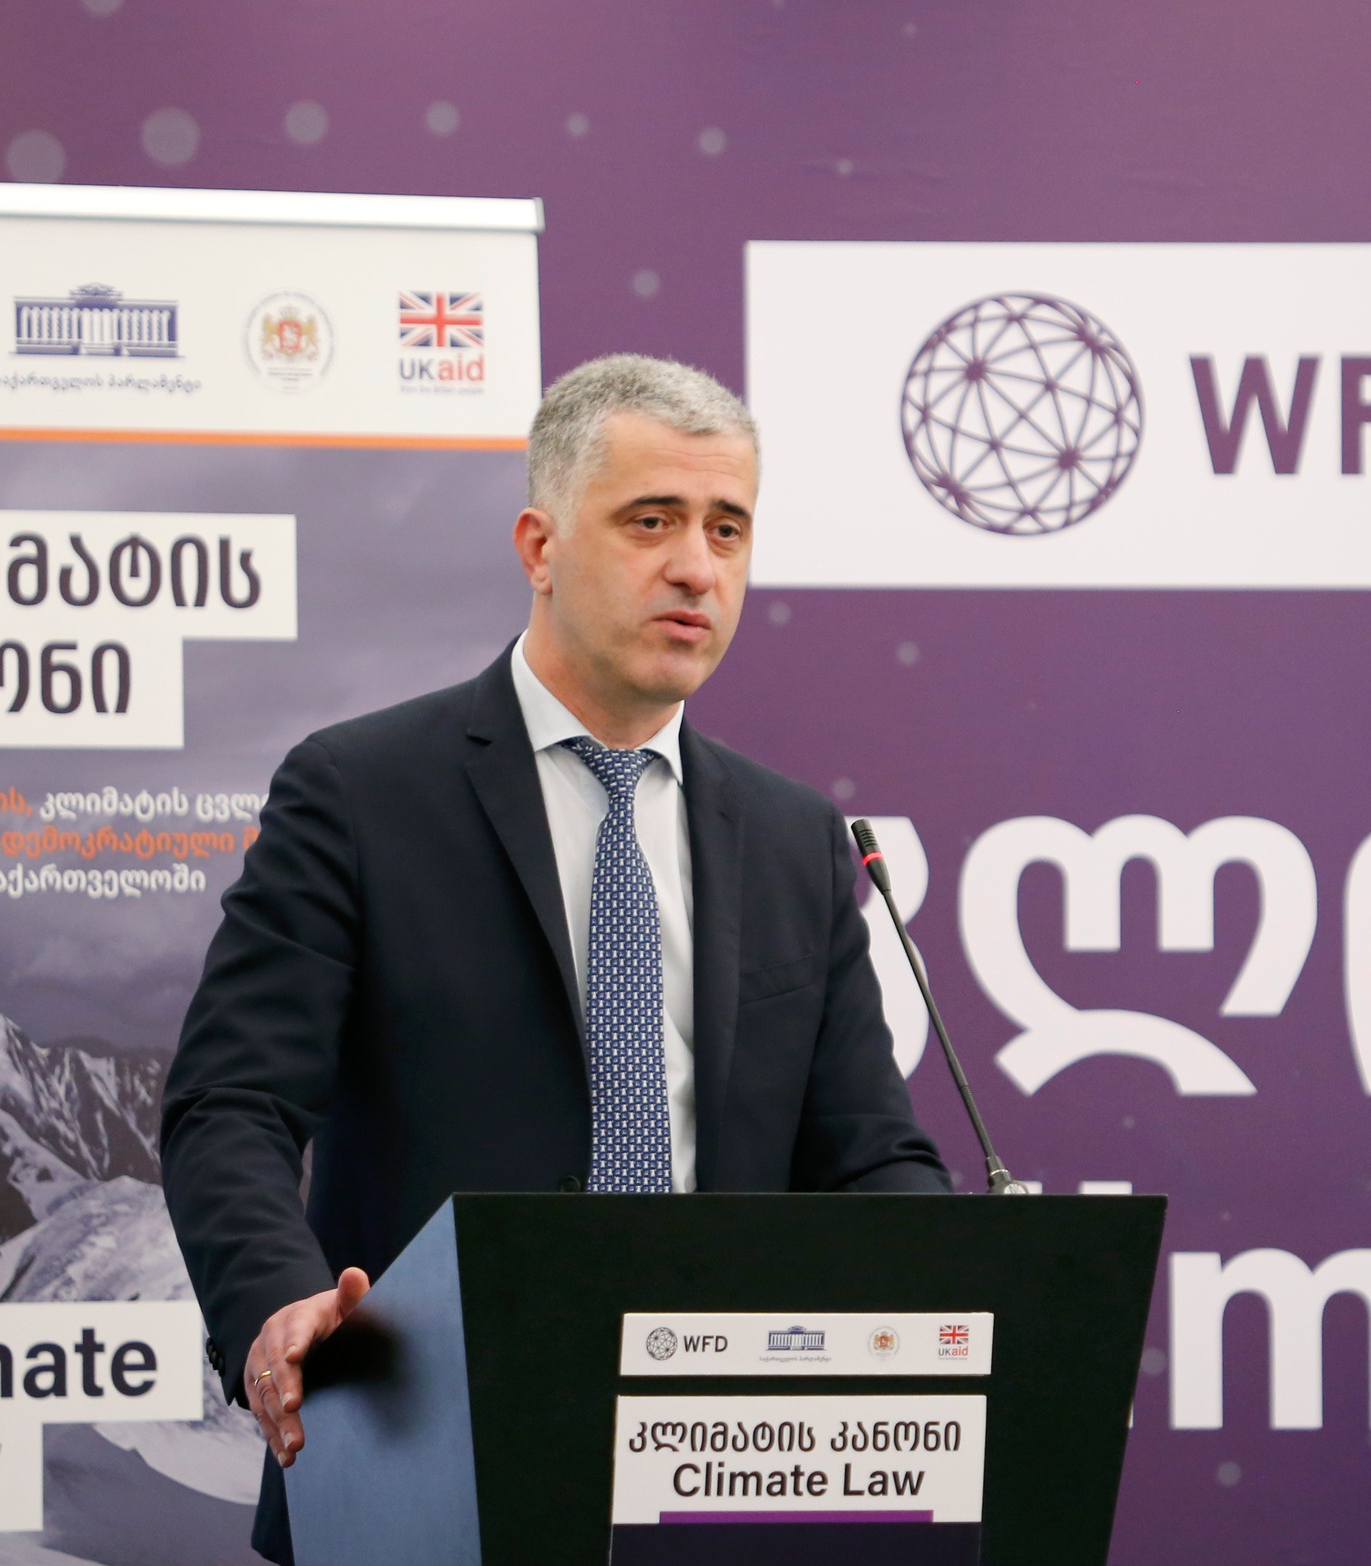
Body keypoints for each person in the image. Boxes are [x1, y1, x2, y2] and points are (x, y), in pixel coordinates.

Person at [159, 354, 951, 1564]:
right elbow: (230, 1105)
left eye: (727, 528)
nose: (696, 567)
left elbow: (867, 1154)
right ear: (539, 546)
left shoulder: (793, 836)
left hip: (728, 1472)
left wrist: (969, 1310)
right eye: (651, 521)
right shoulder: (360, 793)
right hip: (425, 1453)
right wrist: (278, 1306)